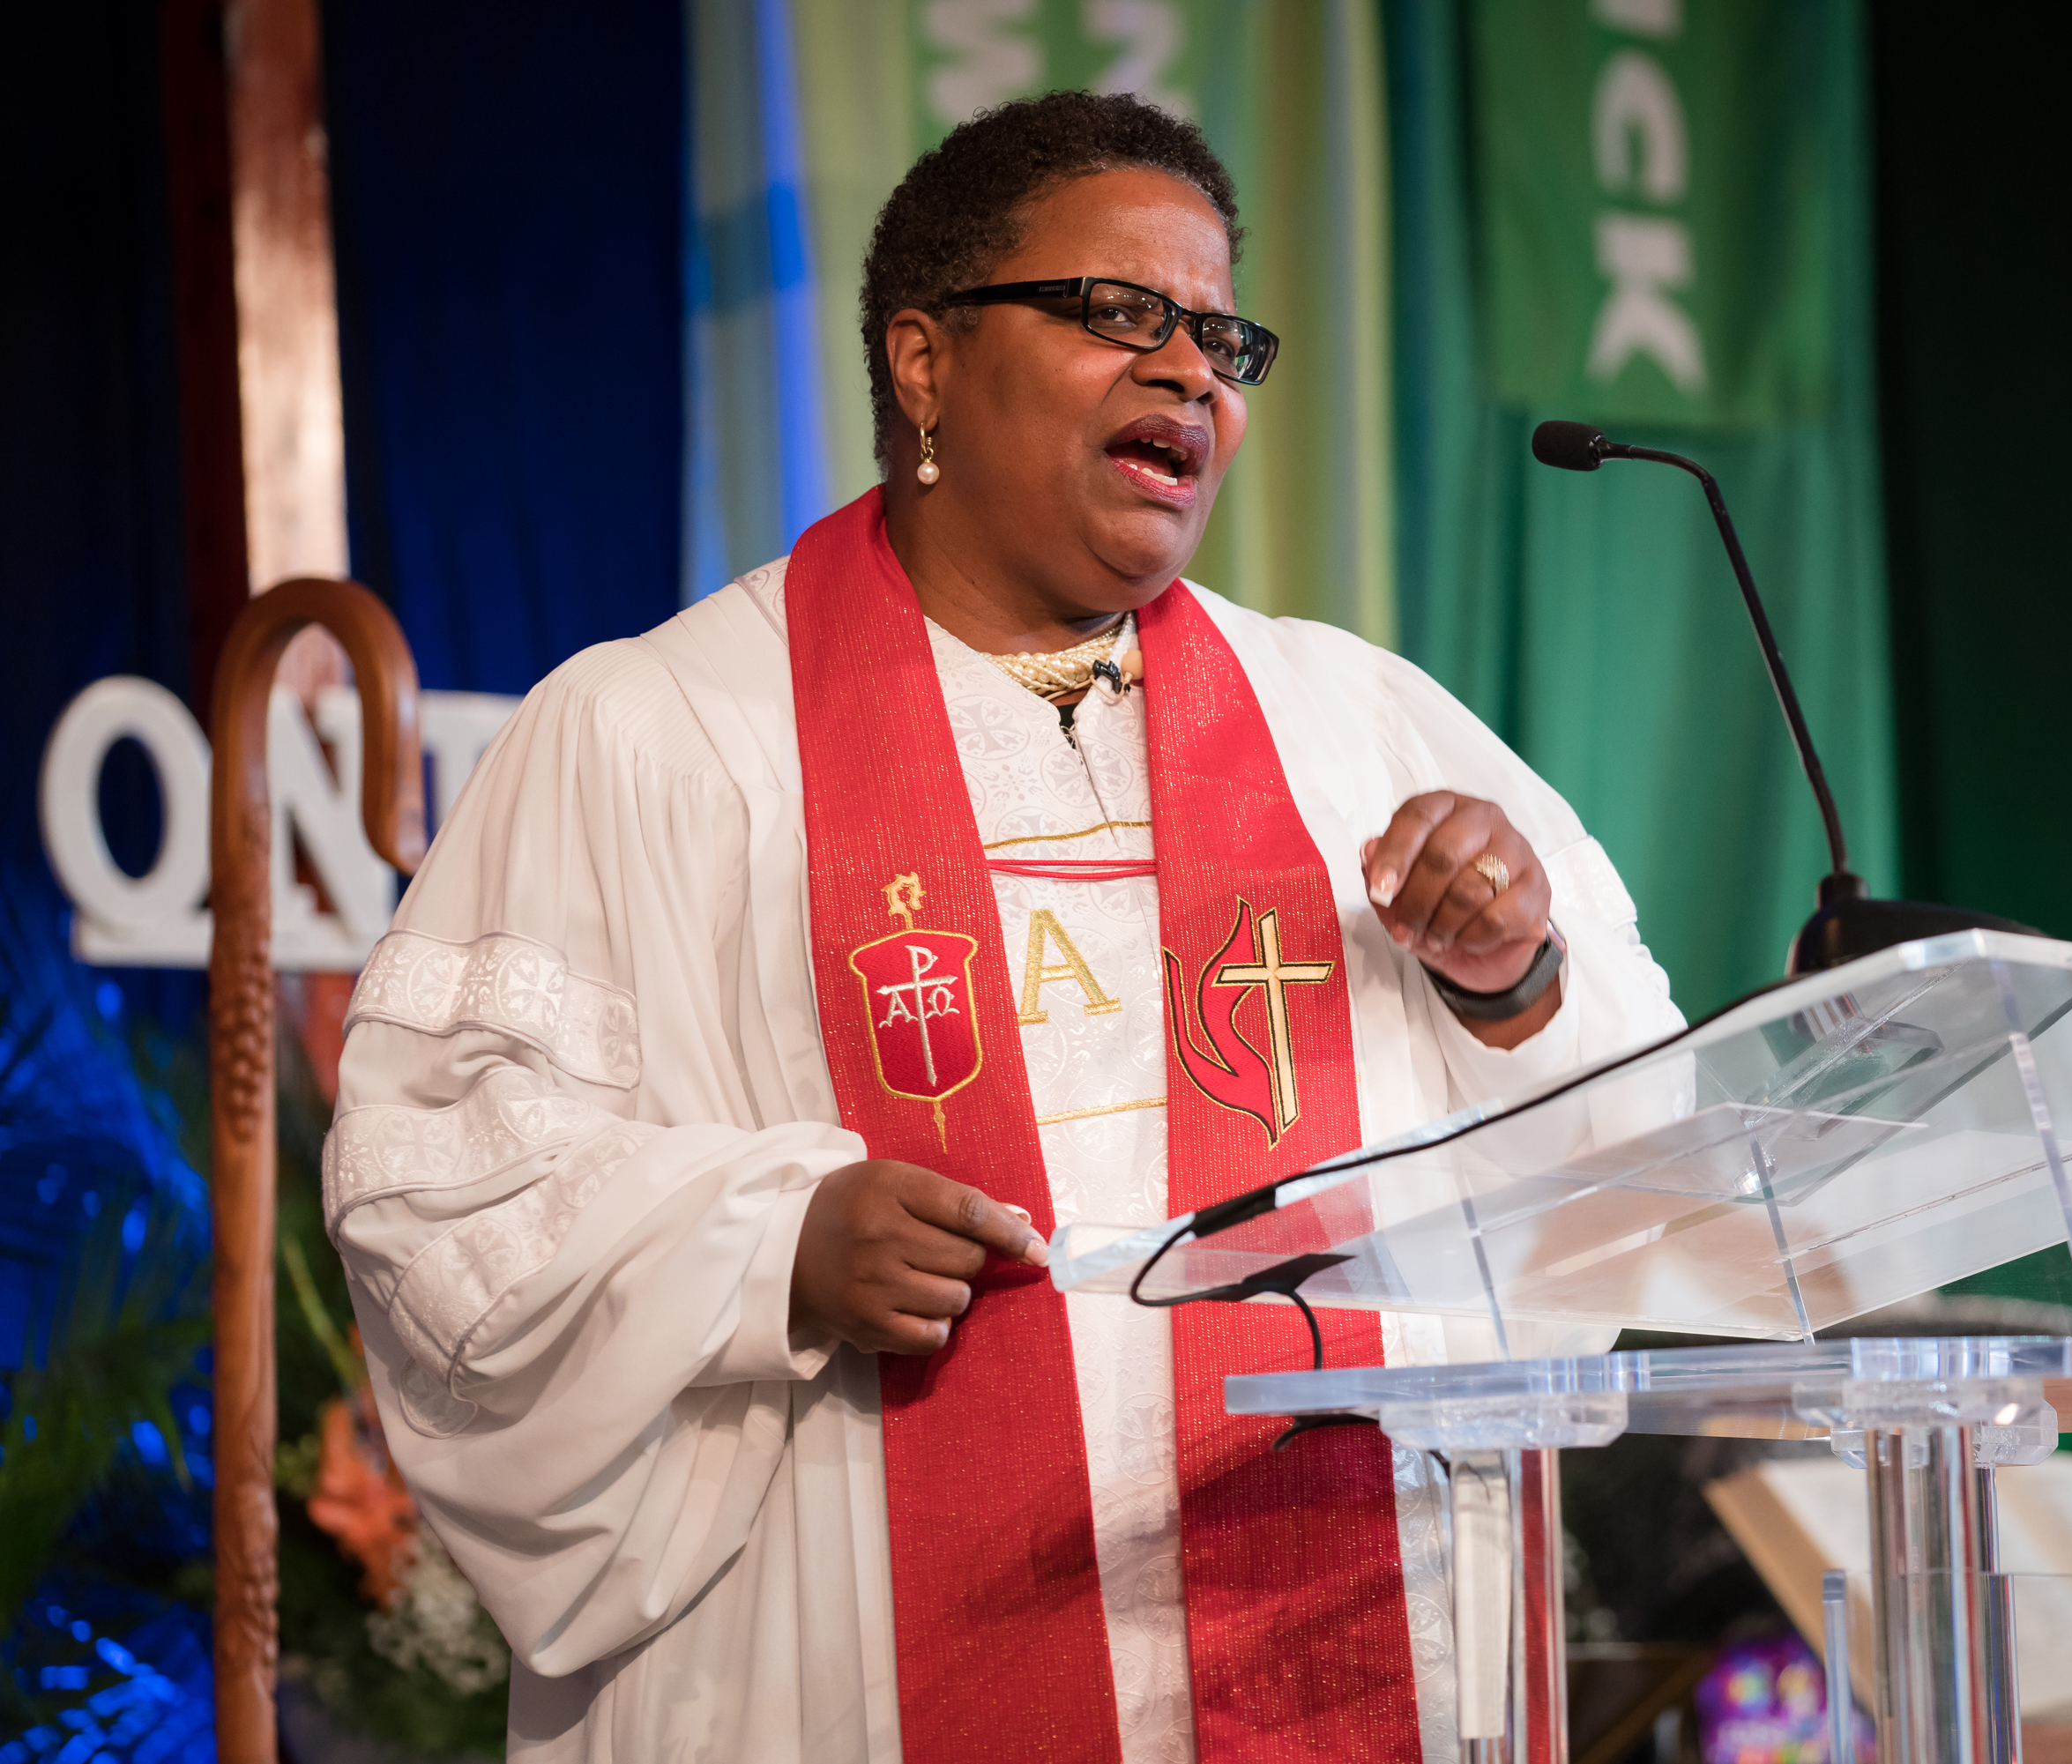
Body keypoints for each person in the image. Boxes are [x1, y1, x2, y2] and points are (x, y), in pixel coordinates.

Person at [327, 92, 1678, 1762]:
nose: (1190, 370)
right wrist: (777, 1245)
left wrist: (1513, 985)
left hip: (1318, 1642)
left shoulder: (1356, 726)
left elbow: (1635, 1162)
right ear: (923, 361)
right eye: (1123, 313)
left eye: (1220, 336)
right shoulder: (655, 733)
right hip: (850, 1667)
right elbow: (451, 1188)